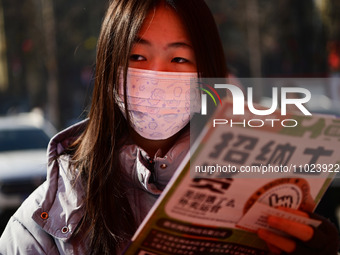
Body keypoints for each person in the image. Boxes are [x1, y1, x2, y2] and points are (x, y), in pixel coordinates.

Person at [0, 0, 338, 254]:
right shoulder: (39, 226)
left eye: (179, 59)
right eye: (136, 57)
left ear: (207, 74)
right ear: (107, 68)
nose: (157, 76)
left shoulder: (260, 186)